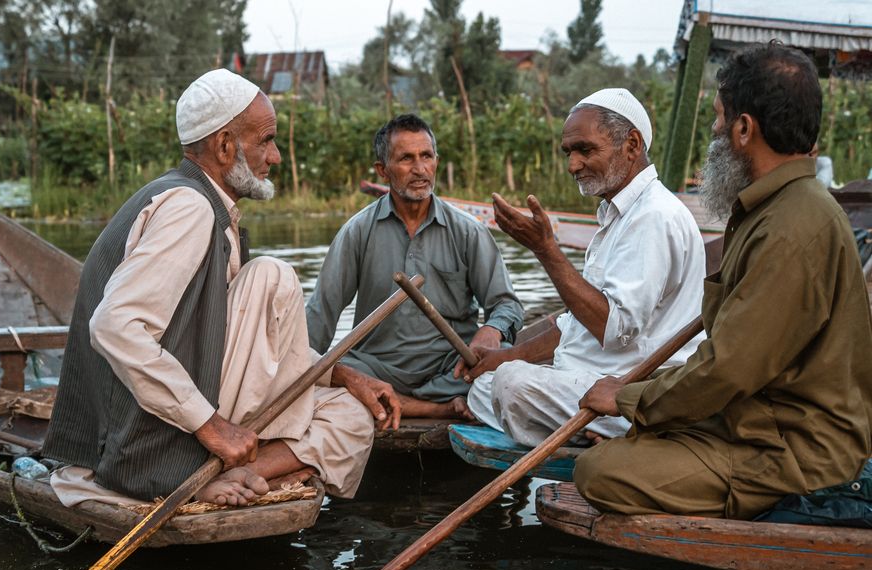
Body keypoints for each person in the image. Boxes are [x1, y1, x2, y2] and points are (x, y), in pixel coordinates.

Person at [43, 69, 401, 508]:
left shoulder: (195, 203)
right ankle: (192, 474)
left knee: (349, 413)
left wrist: (343, 375)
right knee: (272, 275)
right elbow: (115, 327)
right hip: (137, 440)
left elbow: (245, 335)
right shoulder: (189, 208)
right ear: (225, 145)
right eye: (266, 140)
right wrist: (212, 427)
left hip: (156, 418)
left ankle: (241, 470)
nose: (276, 156)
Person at [575, 43, 872, 519]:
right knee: (634, 439)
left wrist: (629, 399)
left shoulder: (792, 226)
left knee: (600, 471)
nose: (714, 131)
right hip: (758, 423)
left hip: (794, 452)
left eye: (718, 120)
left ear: (743, 129)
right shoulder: (779, 208)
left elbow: (729, 368)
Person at [459, 88, 705, 446]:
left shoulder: (654, 216)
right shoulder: (614, 215)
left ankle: (607, 431)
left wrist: (547, 251)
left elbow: (613, 328)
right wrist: (501, 356)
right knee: (484, 384)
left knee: (510, 385)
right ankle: (564, 428)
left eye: (585, 149)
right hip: (583, 378)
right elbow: (577, 324)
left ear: (632, 145)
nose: (573, 164)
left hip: (631, 390)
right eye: (569, 152)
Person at [305, 114, 523, 420]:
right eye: (406, 159)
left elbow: (507, 306)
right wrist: (302, 370)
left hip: (451, 371)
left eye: (426, 156)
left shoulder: (467, 231)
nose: (420, 169)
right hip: (377, 368)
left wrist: (491, 329)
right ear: (383, 170)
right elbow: (320, 312)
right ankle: (437, 410)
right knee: (329, 384)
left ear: (436, 161)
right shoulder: (357, 232)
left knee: (501, 378)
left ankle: (409, 403)